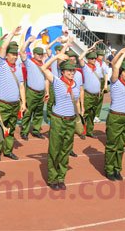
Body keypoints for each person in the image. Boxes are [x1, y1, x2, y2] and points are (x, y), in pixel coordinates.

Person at [40, 45, 83, 190]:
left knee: (65, 150)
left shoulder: (76, 84)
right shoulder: (57, 82)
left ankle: (60, 177)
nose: (71, 72)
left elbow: (76, 101)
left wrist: (79, 115)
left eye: (73, 70)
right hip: (58, 120)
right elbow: (44, 68)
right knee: (54, 149)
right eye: (69, 70)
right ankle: (52, 178)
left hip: (70, 121)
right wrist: (56, 57)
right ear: (63, 71)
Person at [104, 40, 125, 181]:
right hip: (115, 117)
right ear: (121, 72)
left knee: (121, 146)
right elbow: (114, 66)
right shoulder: (115, 81)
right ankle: (109, 169)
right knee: (112, 145)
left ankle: (117, 169)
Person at [0, 26, 27, 161]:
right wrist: (12, 34)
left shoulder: (18, 68)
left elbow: (21, 86)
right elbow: (2, 48)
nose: (14, 56)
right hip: (3, 104)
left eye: (15, 54)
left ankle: (8, 150)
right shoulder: (1, 64)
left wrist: (23, 102)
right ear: (6, 55)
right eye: (12, 54)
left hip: (15, 104)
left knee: (11, 129)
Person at [20, 36, 49, 140]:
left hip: (41, 93)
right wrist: (28, 41)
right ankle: (24, 131)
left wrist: (47, 92)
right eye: (38, 54)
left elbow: (46, 79)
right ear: (34, 54)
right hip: (31, 92)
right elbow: (22, 52)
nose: (40, 56)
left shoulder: (44, 64)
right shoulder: (29, 63)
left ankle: (36, 130)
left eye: (41, 54)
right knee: (28, 112)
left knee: (39, 112)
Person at [80, 42, 104, 137]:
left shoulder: (98, 67)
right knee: (85, 113)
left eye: (95, 58)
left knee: (92, 114)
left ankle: (90, 131)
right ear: (88, 59)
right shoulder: (85, 67)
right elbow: (80, 58)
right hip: (87, 95)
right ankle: (82, 130)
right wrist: (89, 49)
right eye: (91, 58)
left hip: (96, 95)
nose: (94, 60)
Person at [93, 48, 110, 123]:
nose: (101, 56)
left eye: (102, 55)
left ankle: (97, 115)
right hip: (95, 81)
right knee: (94, 98)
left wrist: (106, 84)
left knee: (100, 99)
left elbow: (106, 74)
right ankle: (92, 115)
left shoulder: (103, 64)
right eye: (100, 55)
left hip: (102, 81)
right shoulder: (94, 62)